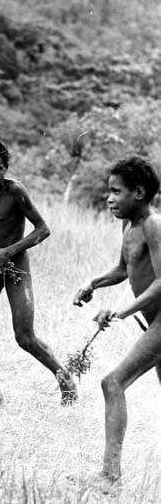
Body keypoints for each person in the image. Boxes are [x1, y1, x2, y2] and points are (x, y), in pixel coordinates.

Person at [0, 139, 77, 406]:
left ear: (6, 169)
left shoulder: (16, 192)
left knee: (24, 337)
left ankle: (65, 379)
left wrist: (8, 251)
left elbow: (42, 229)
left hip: (15, 267)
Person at [73, 155, 161, 486]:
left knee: (112, 383)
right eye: (108, 191)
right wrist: (93, 283)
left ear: (138, 192)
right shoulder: (129, 225)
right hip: (153, 321)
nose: (109, 198)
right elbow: (125, 269)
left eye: (116, 191)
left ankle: (110, 476)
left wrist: (121, 313)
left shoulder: (153, 225)